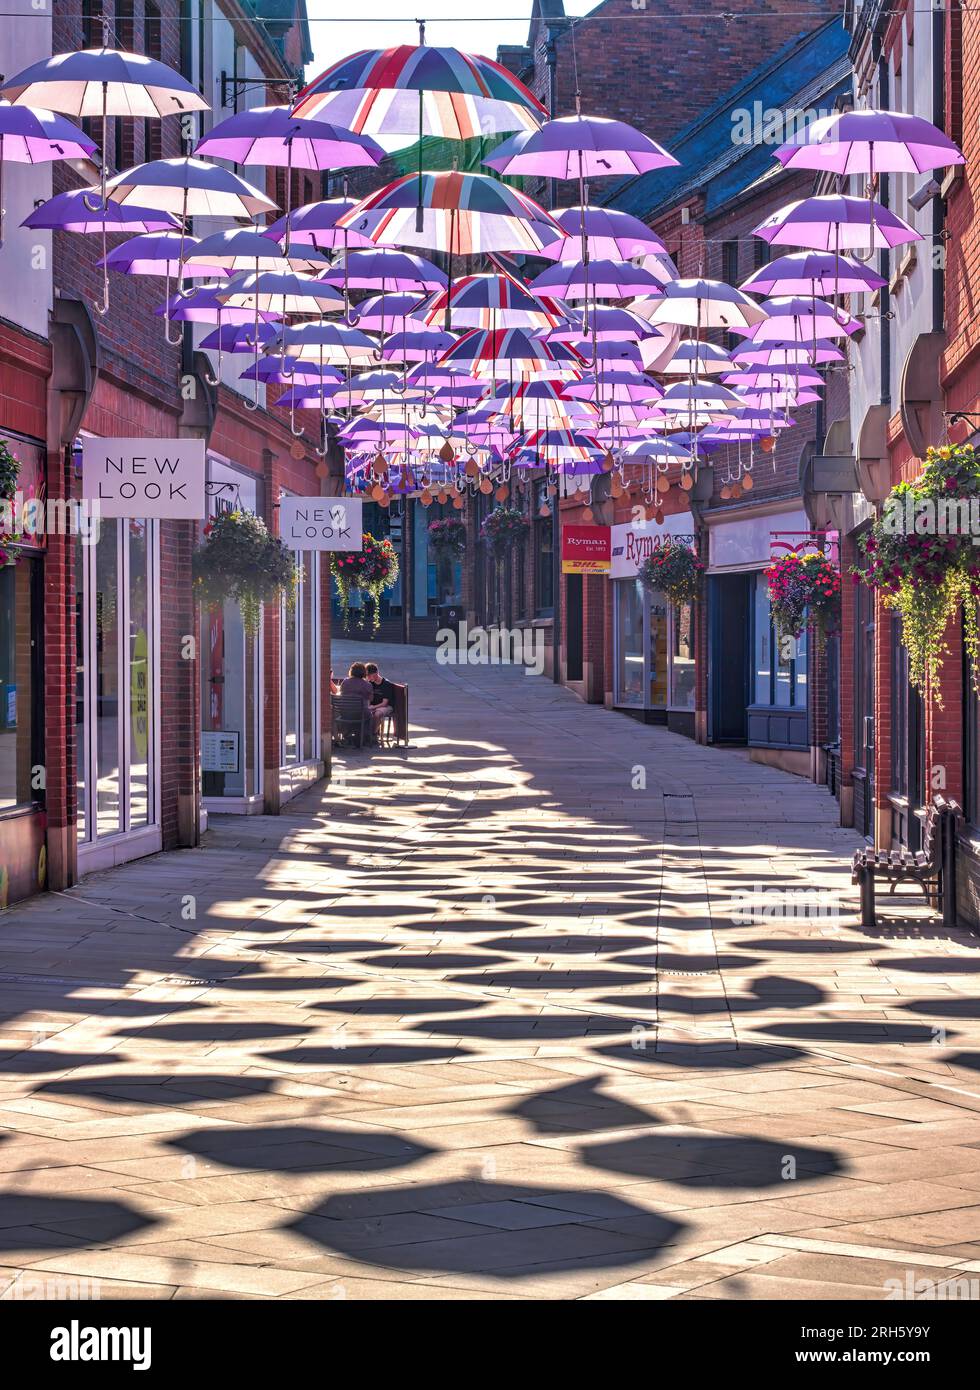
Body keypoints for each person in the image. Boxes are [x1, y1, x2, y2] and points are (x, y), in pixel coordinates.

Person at [365, 662, 397, 741]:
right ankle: (366, 733)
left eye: (369, 675)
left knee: (377, 714)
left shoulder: (386, 684)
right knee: (364, 712)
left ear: (376, 673)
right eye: (367, 675)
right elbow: (368, 697)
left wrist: (373, 707)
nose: (368, 677)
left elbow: (384, 703)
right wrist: (368, 706)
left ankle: (372, 734)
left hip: (386, 706)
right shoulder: (370, 683)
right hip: (373, 705)